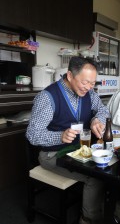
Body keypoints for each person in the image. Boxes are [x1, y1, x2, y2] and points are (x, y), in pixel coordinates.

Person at [26, 56, 110, 224]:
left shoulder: (89, 94)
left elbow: (104, 110)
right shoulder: (48, 97)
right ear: (70, 75)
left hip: (78, 150)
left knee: (107, 165)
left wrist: (96, 120)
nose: (88, 88)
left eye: (93, 83)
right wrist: (60, 136)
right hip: (52, 153)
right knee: (95, 176)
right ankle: (88, 219)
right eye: (85, 82)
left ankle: (100, 210)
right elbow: (32, 134)